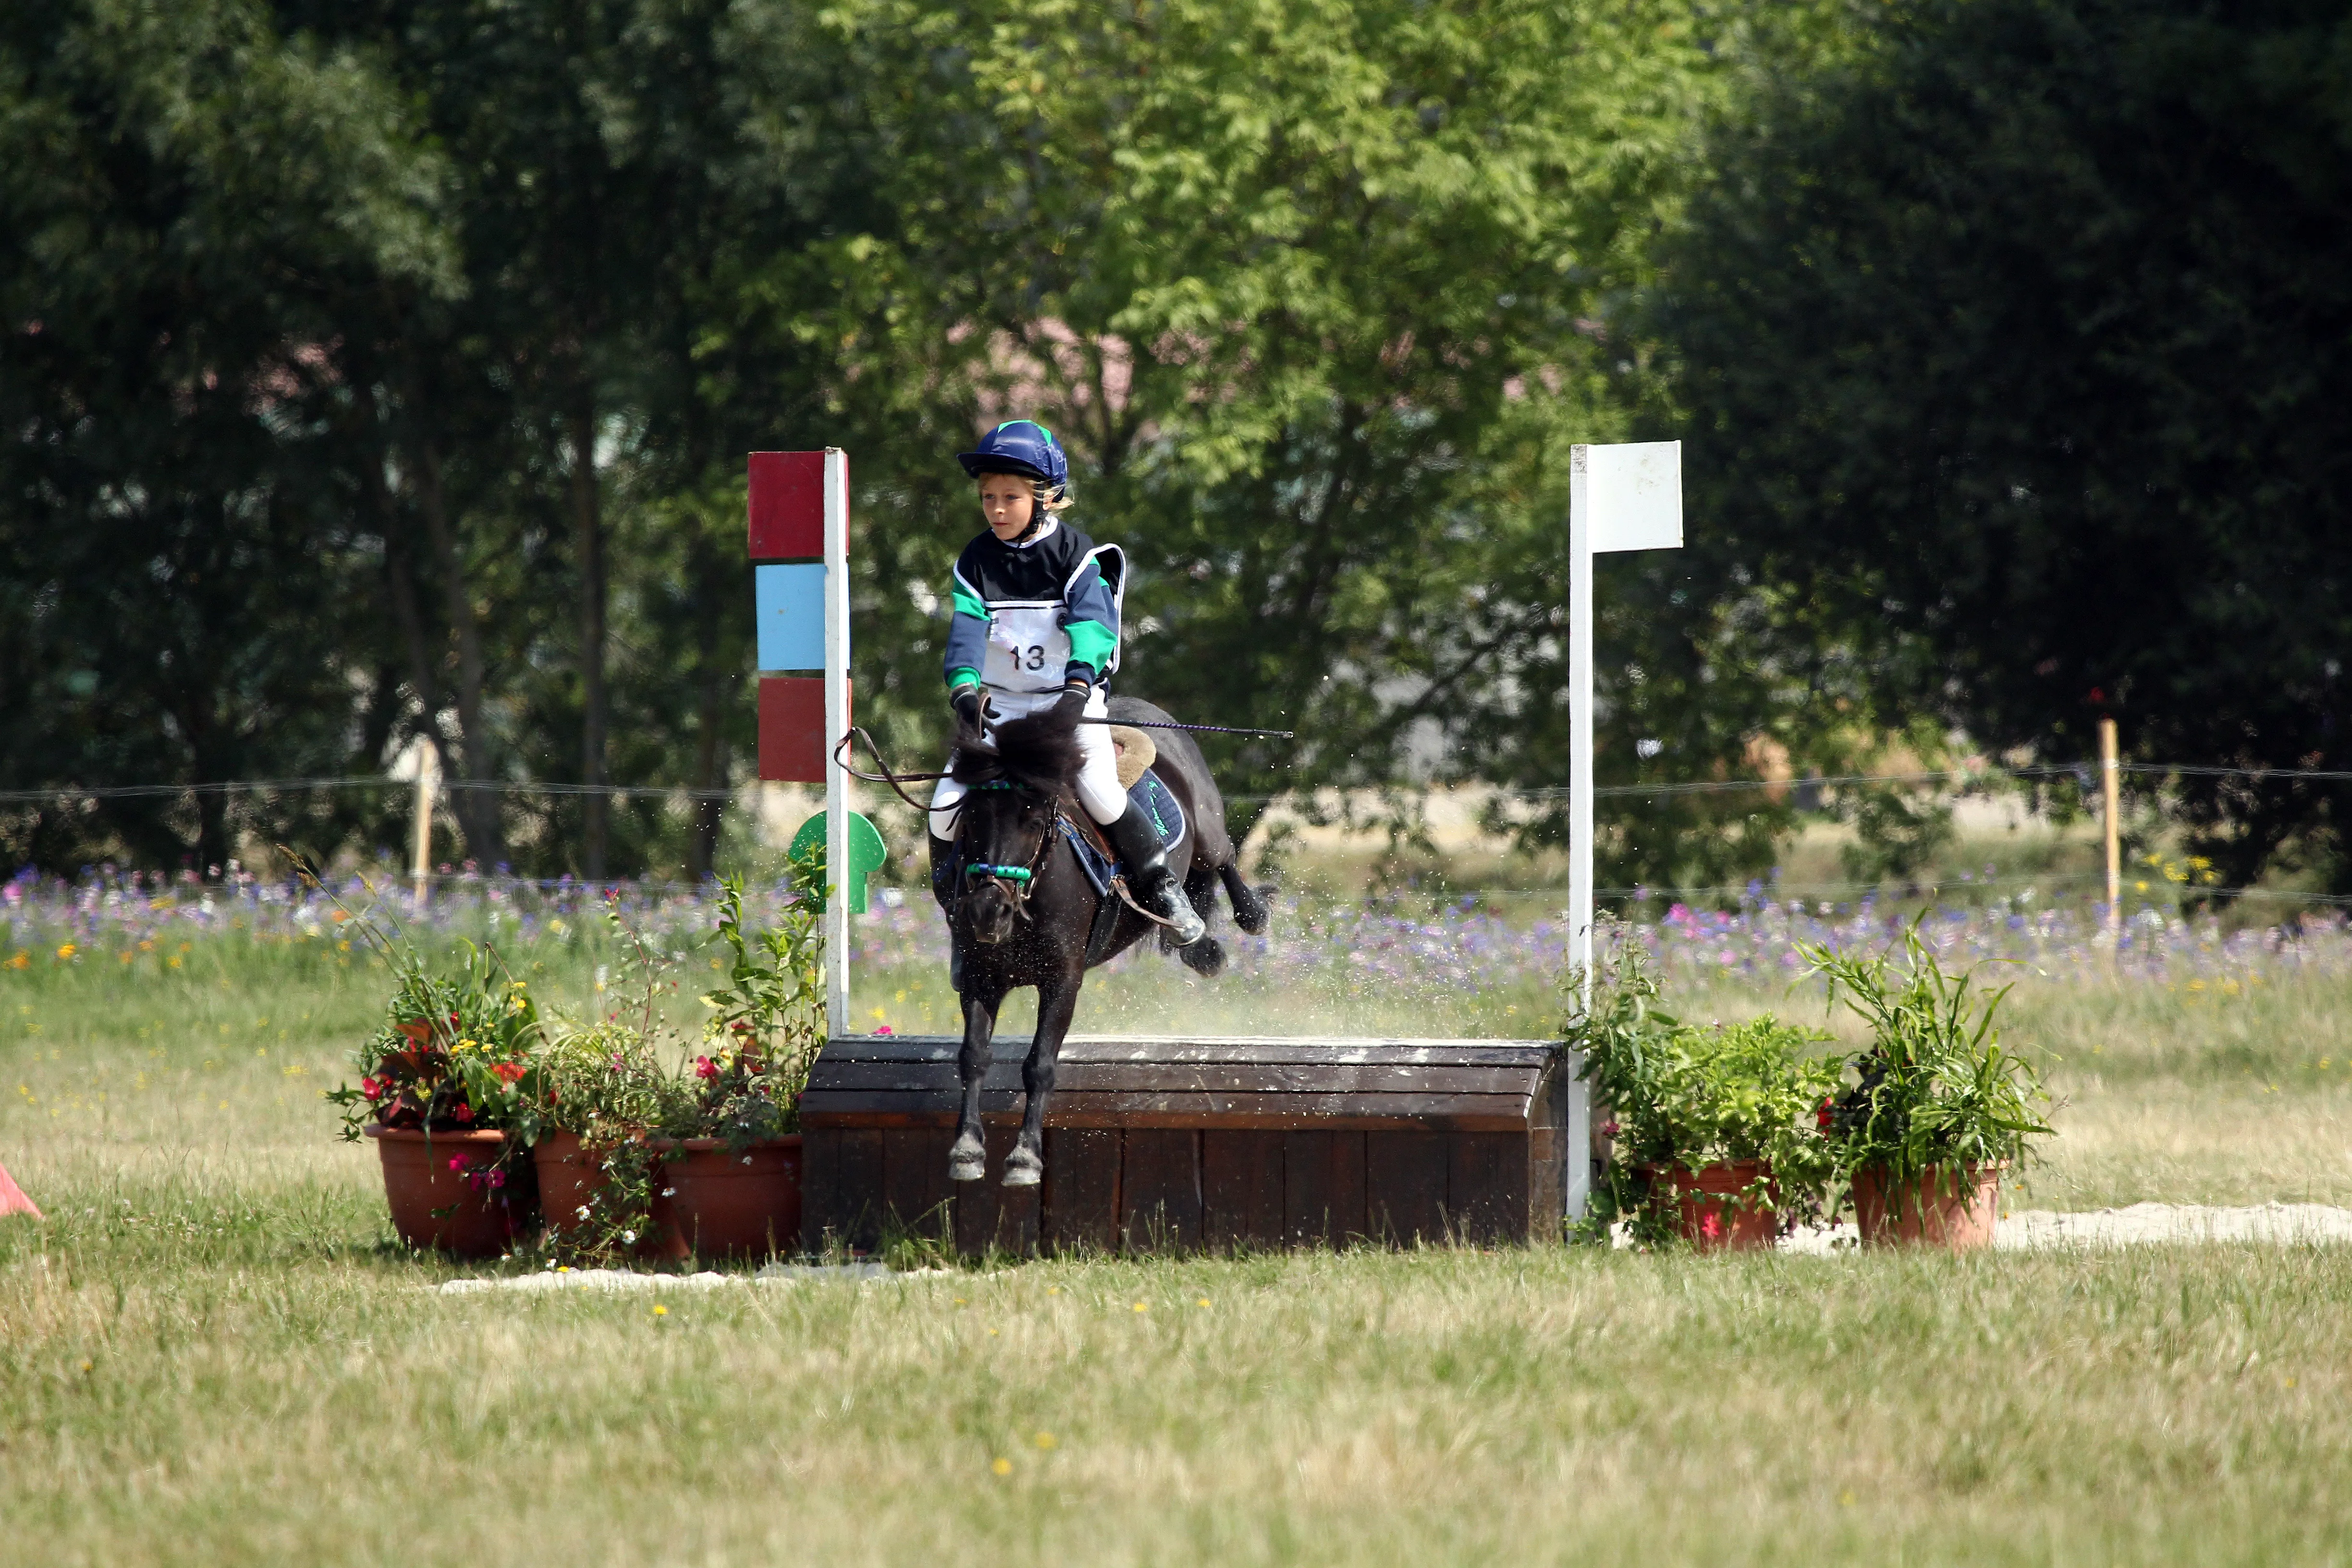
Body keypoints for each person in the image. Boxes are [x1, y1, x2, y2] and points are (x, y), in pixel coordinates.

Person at [927, 419, 1206, 949]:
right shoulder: (975, 560)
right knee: (944, 809)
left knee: (1101, 794)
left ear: (1046, 498)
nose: (997, 510)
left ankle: (1163, 887)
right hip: (1000, 709)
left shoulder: (1074, 554)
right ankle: (956, 906)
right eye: (988, 498)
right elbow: (965, 633)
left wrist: (1077, 690)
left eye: (1010, 498)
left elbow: (1092, 630)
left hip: (1068, 704)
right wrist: (963, 689)